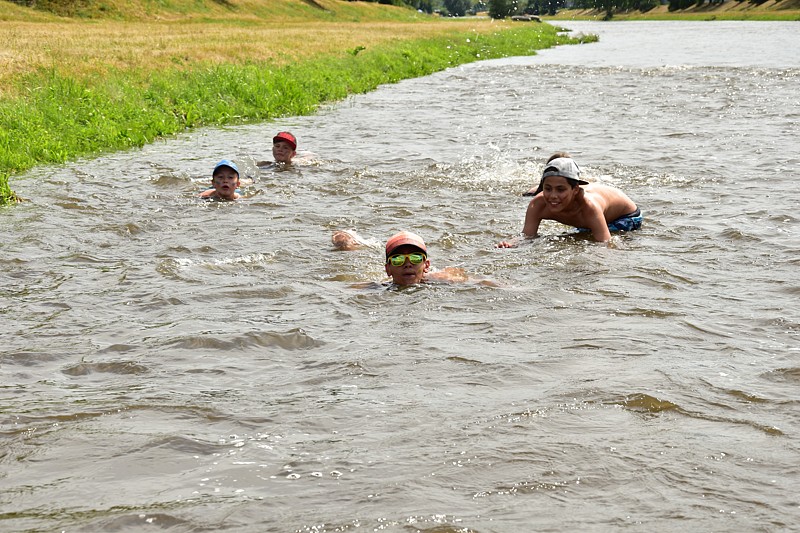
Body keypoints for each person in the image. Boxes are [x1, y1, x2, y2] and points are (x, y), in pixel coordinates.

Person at [498, 155, 642, 245]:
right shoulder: (538, 204)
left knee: (586, 241)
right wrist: (510, 243)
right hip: (591, 218)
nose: (553, 196)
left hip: (626, 217)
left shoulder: (589, 207)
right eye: (548, 188)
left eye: (560, 190)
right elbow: (527, 235)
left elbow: (606, 243)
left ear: (575, 190)